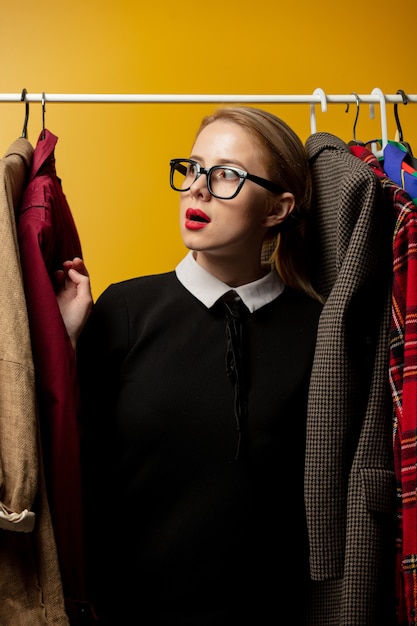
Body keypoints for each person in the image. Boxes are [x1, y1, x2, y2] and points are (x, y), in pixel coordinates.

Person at [57, 106, 324, 625]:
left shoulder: (318, 329)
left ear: (278, 208)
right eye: (195, 168)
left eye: (226, 174)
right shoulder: (125, 309)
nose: (198, 188)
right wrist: (67, 344)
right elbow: (67, 457)